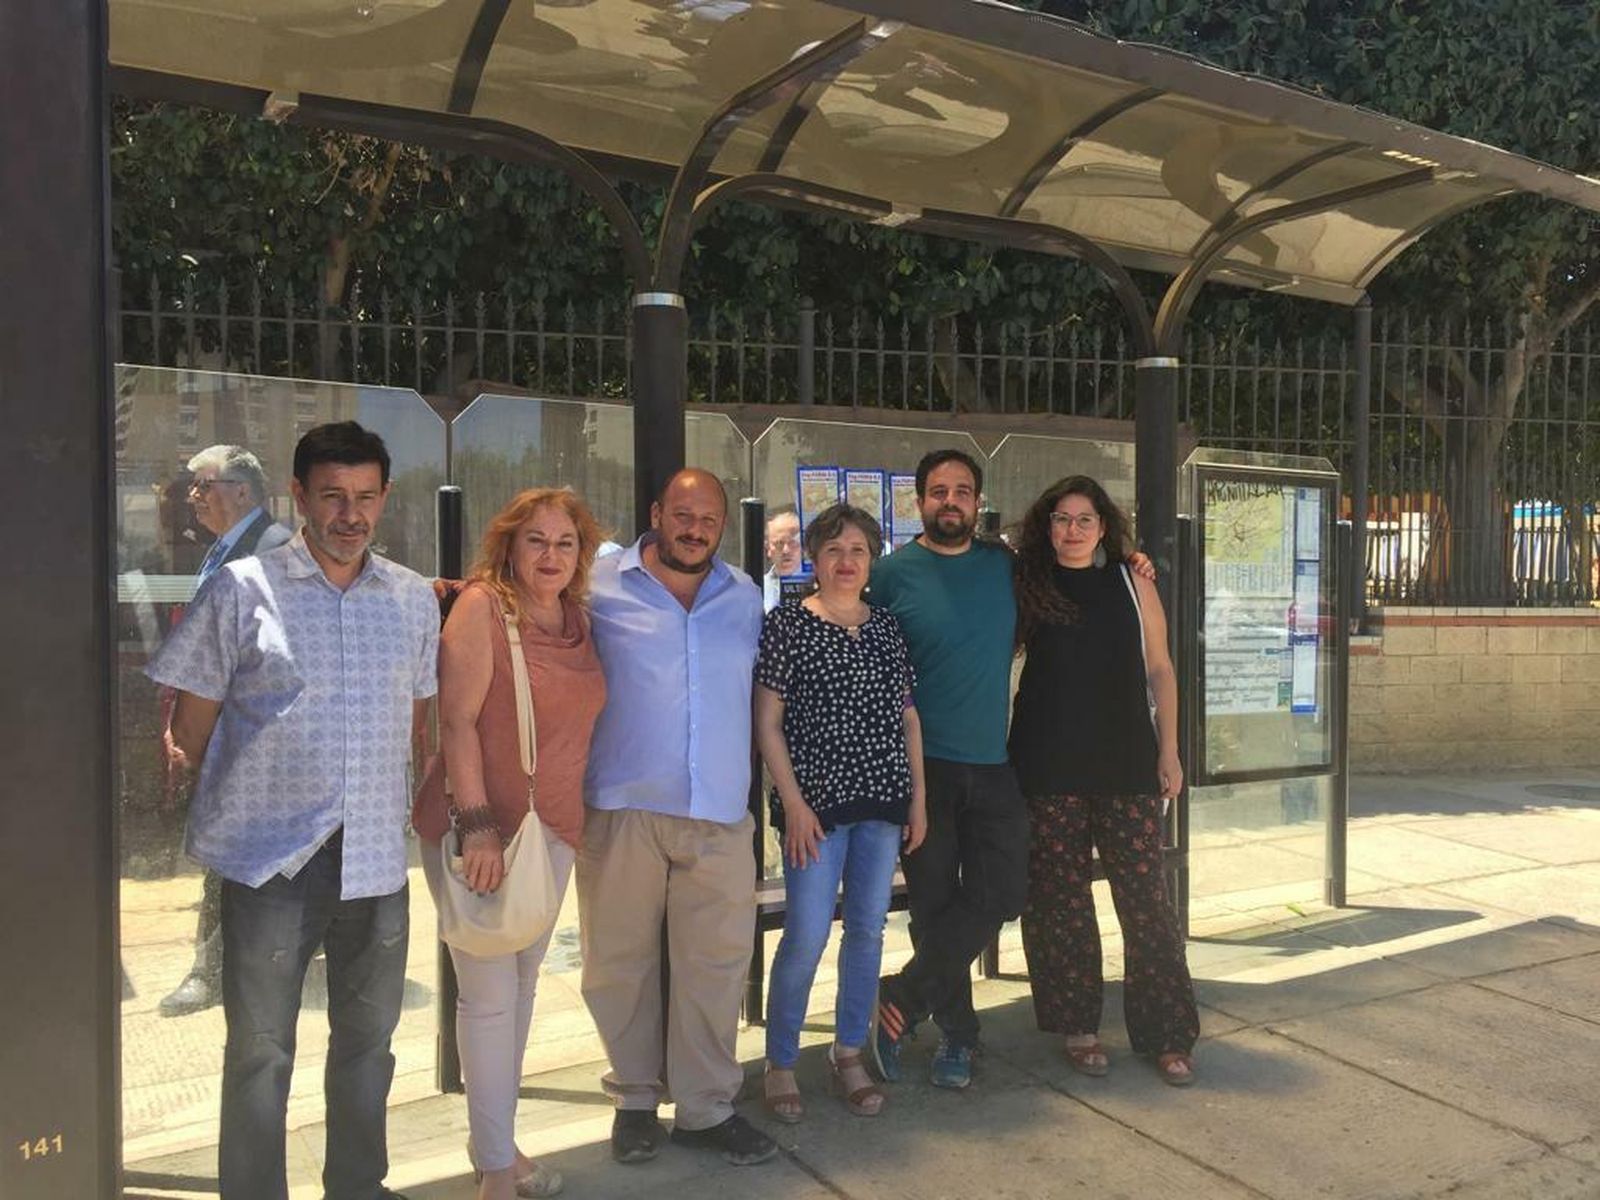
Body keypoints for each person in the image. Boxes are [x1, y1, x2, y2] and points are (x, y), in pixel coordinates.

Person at [147, 422, 438, 1200]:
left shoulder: (412, 600)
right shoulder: (242, 590)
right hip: (270, 859)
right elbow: (192, 730)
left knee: (370, 1046)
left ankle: (358, 1187)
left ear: (385, 498)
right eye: (333, 496)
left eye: (365, 496)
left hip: (375, 858)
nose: (351, 514)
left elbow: (415, 723)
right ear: (299, 497)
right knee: (260, 1051)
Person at [578, 468, 777, 1167]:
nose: (695, 530)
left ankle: (705, 1108)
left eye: (708, 520)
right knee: (618, 963)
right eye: (683, 516)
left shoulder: (743, 596)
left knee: (716, 967)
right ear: (657, 513)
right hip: (622, 805)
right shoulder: (597, 585)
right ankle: (634, 1101)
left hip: (718, 811)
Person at [412, 488, 608, 1200]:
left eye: (565, 543)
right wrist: (477, 825)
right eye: (536, 541)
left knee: (521, 992)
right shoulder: (483, 608)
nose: (551, 556)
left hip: (552, 830)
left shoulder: (577, 619)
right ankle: (496, 1171)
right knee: (491, 999)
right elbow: (456, 722)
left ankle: (497, 1143)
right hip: (488, 835)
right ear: (509, 545)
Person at [1008, 475, 1198, 1085]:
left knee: (1146, 901)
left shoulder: (1132, 581)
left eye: (1084, 520)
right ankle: (1079, 1028)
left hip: (1126, 763)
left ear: (1103, 526)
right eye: (1061, 519)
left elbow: (1161, 668)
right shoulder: (1026, 582)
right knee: (1060, 902)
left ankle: (1167, 1032)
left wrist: (1169, 750)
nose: (1072, 530)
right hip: (1047, 765)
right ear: (1047, 525)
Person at [755, 503, 926, 1122]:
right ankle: (780, 1061)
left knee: (867, 931)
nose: (846, 561)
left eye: (857, 550)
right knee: (805, 935)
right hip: (816, 813)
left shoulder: (886, 628)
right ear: (813, 557)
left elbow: (908, 718)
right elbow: (767, 723)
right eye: (833, 550)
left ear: (872, 558)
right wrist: (793, 804)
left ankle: (848, 1051)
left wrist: (918, 800)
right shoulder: (788, 624)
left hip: (882, 804)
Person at [866, 449, 1030, 1090]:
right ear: (920, 502)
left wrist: (1130, 560)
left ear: (977, 501)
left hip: (993, 761)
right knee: (935, 908)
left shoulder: (1005, 568)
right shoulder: (891, 575)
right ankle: (959, 1038)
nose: (951, 501)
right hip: (922, 769)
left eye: (963, 490)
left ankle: (902, 996)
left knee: (1005, 891)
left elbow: (1073, 569)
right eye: (939, 491)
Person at [159, 443, 292, 1018]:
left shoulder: (274, 549)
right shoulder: (223, 547)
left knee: (234, 853)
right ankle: (228, 964)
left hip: (249, 734)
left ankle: (212, 970)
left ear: (241, 490)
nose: (193, 495)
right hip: (216, 726)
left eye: (202, 484)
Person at [762, 504, 803, 612]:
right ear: (768, 548)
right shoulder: (757, 587)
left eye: (793, 543)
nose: (786, 550)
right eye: (779, 543)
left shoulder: (818, 586)